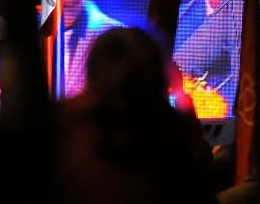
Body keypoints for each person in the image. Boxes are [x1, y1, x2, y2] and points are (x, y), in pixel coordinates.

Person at [54, 27, 217, 204]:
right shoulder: (170, 137)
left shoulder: (61, 130)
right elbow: (198, 162)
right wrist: (180, 91)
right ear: (159, 79)